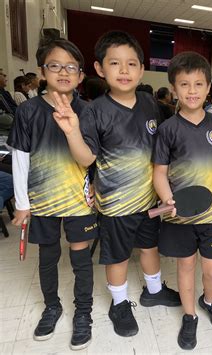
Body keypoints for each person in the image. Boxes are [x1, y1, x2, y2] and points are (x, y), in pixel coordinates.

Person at [51, 30, 181, 338]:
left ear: (141, 68)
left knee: (150, 248)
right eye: (115, 63)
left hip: (149, 201)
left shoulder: (150, 104)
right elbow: (85, 158)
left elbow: (162, 149)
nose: (124, 71)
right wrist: (71, 133)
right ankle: (120, 303)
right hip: (116, 204)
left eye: (132, 64)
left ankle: (153, 290)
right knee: (118, 256)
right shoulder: (95, 110)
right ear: (99, 69)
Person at [7, 38, 97, 350]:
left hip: (78, 200)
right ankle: (52, 307)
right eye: (54, 65)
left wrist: (95, 189)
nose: (63, 72)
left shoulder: (87, 111)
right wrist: (22, 203)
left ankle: (83, 313)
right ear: (42, 71)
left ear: (81, 76)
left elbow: (91, 159)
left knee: (80, 256)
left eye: (71, 67)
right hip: (42, 200)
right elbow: (20, 157)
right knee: (48, 256)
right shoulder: (28, 111)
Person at [153, 51, 212, 350]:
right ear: (174, 88)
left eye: (198, 84)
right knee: (186, 268)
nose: (191, 91)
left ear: (208, 87)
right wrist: (167, 198)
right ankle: (190, 316)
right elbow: (159, 173)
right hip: (180, 218)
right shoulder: (167, 130)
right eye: (184, 85)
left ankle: (209, 301)